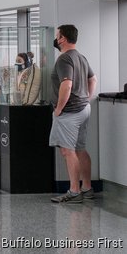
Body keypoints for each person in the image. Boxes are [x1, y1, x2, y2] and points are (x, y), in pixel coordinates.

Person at [49, 24, 96, 204]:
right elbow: (93, 79)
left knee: (67, 151)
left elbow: (66, 85)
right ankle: (87, 187)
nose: (56, 39)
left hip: (69, 111)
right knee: (79, 148)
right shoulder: (80, 57)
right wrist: (86, 98)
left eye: (57, 36)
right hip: (83, 108)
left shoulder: (64, 59)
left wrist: (59, 108)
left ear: (62, 39)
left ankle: (74, 191)